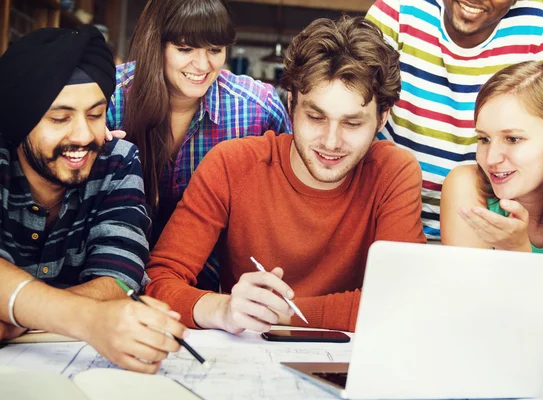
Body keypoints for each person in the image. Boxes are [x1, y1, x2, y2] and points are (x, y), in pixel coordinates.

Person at [144, 16, 426, 334]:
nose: (331, 142)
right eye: (316, 116)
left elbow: (400, 303)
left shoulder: (394, 172)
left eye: (352, 123)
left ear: (382, 118)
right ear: (291, 103)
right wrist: (223, 309)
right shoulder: (231, 165)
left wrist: (279, 315)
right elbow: (159, 282)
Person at [0, 25, 187, 373]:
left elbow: (118, 281)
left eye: (95, 114)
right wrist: (86, 318)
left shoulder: (116, 161)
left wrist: (13, 318)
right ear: (18, 119)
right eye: (60, 118)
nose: (85, 135)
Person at [366, 0, 543, 239]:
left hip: (486, 232)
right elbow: (352, 108)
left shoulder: (540, 27)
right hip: (387, 219)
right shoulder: (397, 8)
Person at [440, 61, 543, 362]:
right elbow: (469, 324)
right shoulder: (466, 187)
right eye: (484, 139)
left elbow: (530, 335)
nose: (492, 158)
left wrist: (517, 250)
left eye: (513, 139)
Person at [106, 0, 292, 251]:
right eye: (185, 49)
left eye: (214, 50)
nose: (203, 66)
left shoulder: (259, 107)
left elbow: (290, 198)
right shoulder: (107, 97)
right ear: (155, 44)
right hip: (111, 257)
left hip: (215, 272)